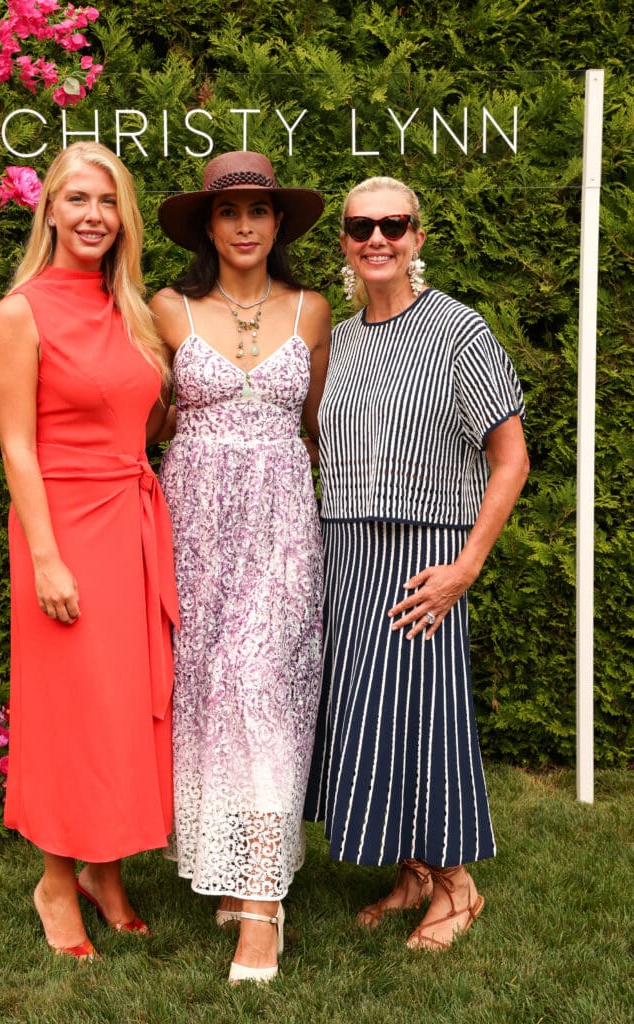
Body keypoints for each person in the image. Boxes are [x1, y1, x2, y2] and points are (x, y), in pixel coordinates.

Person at [305, 176, 529, 951]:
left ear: (417, 237)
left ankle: (458, 885)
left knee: (424, 722)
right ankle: (412, 875)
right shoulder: (338, 340)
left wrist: (465, 566)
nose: (377, 238)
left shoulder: (457, 332)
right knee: (366, 720)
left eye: (392, 224)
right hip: (347, 552)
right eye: (360, 225)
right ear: (341, 241)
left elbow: (510, 459)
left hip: (422, 561)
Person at [0, 141, 178, 960]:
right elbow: (16, 447)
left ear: (122, 216)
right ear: (51, 211)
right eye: (76, 200)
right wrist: (47, 556)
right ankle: (55, 882)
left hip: (128, 525)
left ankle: (105, 868)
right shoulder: (21, 310)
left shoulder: (130, 308)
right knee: (68, 714)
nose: (92, 215)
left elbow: (146, 417)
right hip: (60, 529)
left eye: (106, 202)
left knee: (118, 712)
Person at [151, 151, 331, 983]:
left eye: (261, 211)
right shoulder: (167, 309)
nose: (248, 225)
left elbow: (316, 426)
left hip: (282, 525)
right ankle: (235, 864)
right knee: (207, 691)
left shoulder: (313, 311)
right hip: (191, 526)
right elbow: (143, 418)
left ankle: (262, 906)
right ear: (209, 227)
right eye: (231, 213)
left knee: (263, 690)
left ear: (279, 223)